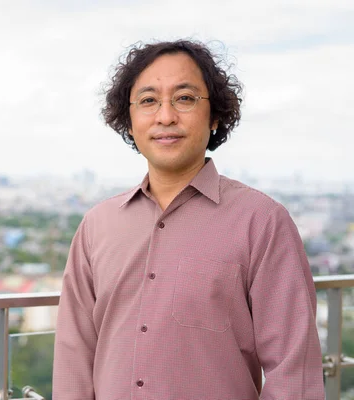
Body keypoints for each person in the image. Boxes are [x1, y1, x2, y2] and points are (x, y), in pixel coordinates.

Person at [52, 39, 324, 399]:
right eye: (148, 101)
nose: (165, 116)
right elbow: (74, 357)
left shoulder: (262, 222)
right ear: (129, 121)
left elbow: (295, 373)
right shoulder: (97, 226)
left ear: (214, 116)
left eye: (184, 98)